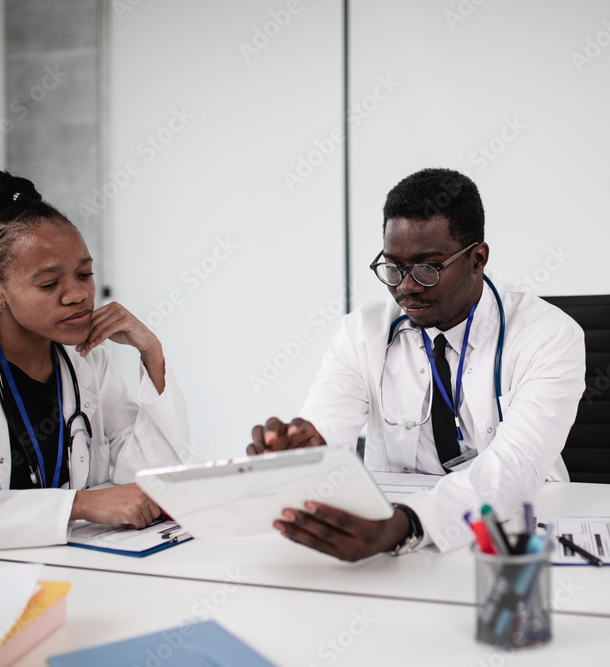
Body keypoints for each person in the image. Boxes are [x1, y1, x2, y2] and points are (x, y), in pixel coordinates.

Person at [249, 168, 585, 562]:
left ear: (477, 258)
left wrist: (409, 526)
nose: (405, 287)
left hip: (511, 539)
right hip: (386, 532)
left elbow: (514, 465)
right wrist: (299, 449)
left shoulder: (548, 335)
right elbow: (325, 426)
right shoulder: (363, 333)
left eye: (428, 268)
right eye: (393, 268)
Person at [0, 168, 192, 555]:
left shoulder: (87, 363)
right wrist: (78, 505)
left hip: (76, 573)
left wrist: (150, 351)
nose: (77, 295)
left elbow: (154, 482)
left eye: (85, 274)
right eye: (49, 284)